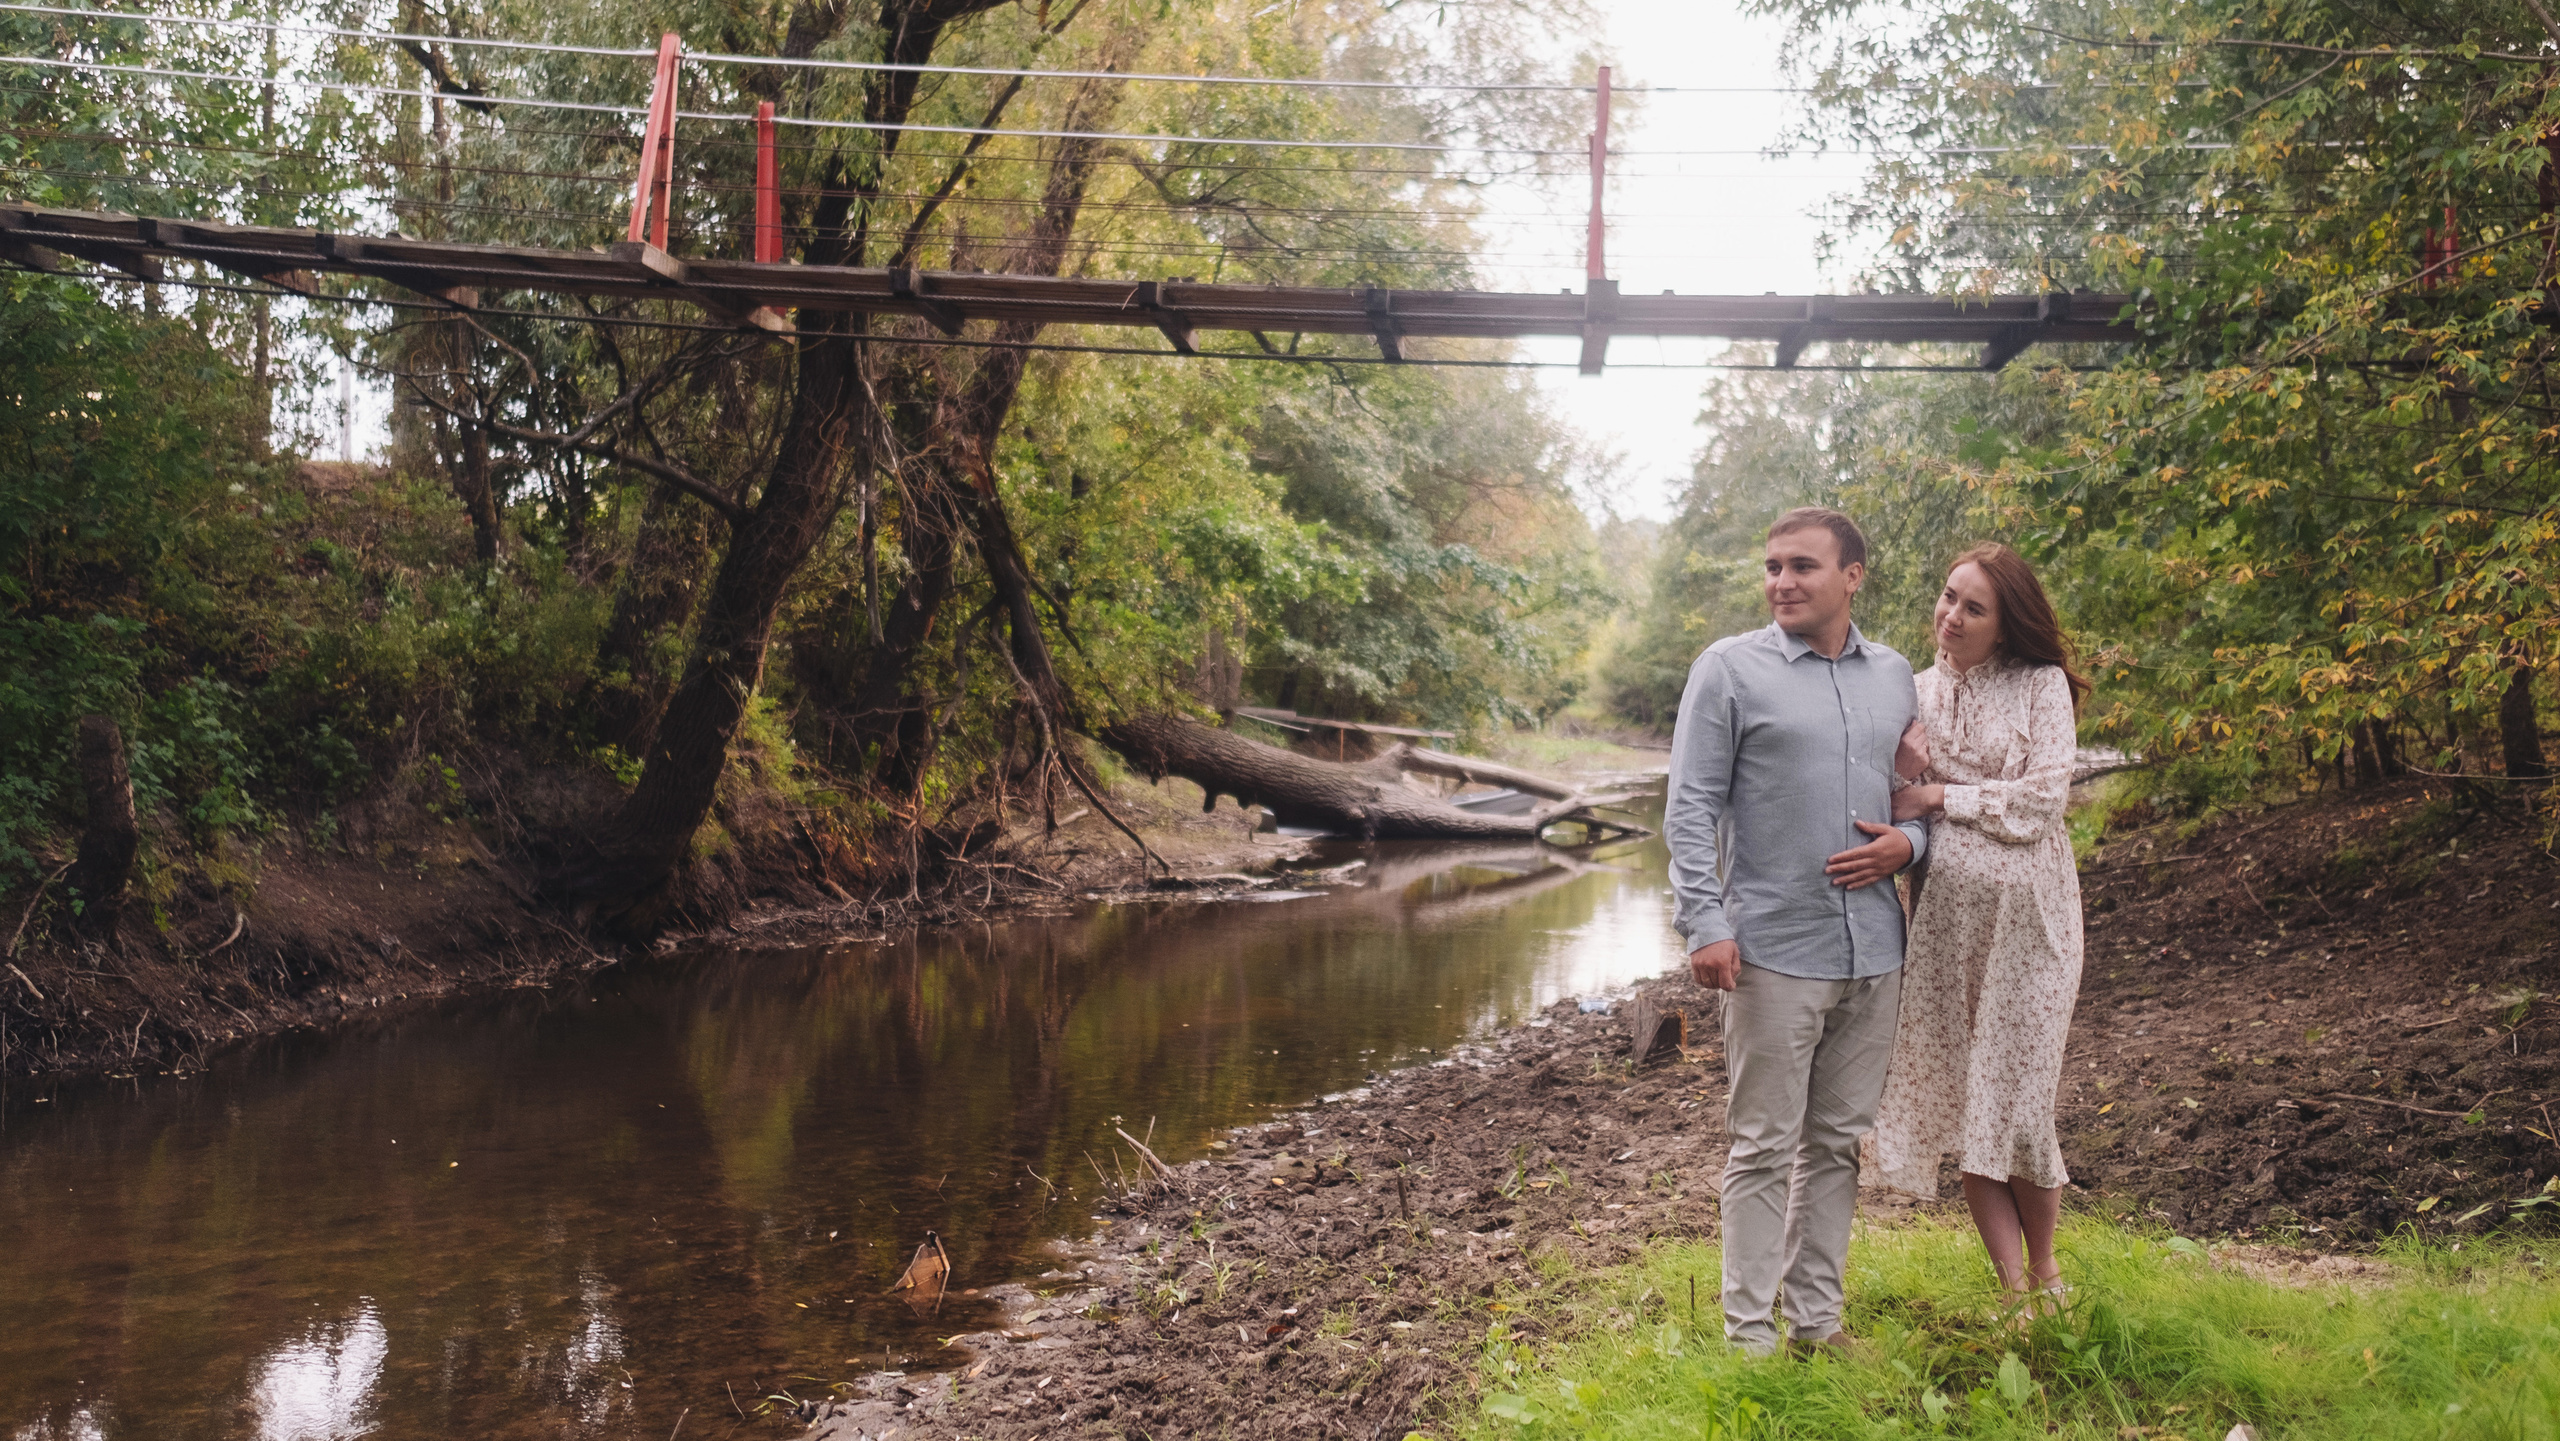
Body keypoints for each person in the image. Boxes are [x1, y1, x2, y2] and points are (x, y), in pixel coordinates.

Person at [1664, 506, 1929, 1357]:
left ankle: (1817, 1323)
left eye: (1802, 566)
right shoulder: (1728, 670)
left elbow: (1912, 798)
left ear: (1852, 576)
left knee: (1837, 1145)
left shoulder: (1896, 676)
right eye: (1773, 565)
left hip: (1874, 949)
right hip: (1772, 950)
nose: (1781, 581)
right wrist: (1704, 921)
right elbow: (1690, 805)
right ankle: (1748, 1339)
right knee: (1763, 1146)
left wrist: (1910, 843)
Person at [1871, 542, 2091, 1315]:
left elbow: (2041, 803)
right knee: (1974, 1107)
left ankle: (2049, 1273)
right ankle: (2014, 1295)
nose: (1952, 615)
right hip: (1944, 931)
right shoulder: (1913, 691)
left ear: (2007, 621)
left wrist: (1941, 796)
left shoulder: (2040, 684)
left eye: (1974, 606)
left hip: (2032, 928)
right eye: (1948, 596)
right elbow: (1888, 796)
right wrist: (1908, 774)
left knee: (2022, 1102)